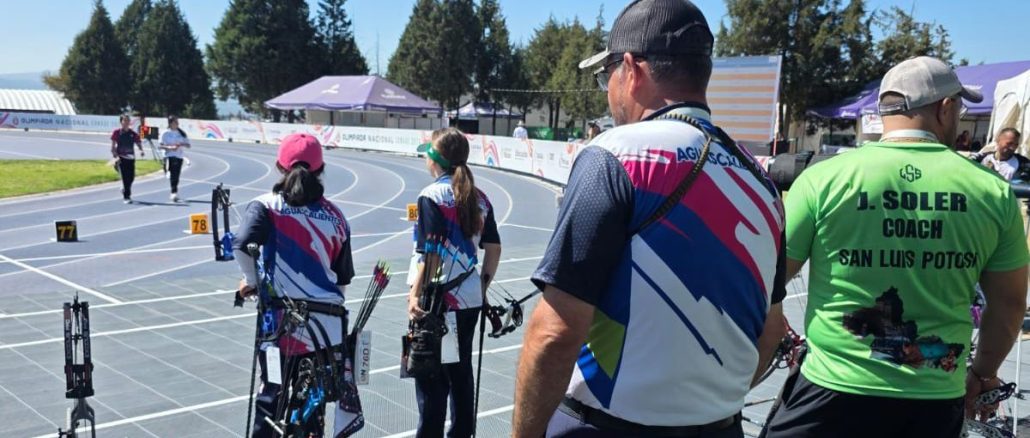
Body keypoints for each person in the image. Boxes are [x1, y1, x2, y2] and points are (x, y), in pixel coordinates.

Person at [512, 1, 788, 436]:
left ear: (631, 70)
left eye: (607, 77)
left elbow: (554, 334)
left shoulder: (614, 155)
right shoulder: (762, 185)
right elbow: (772, 330)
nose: (608, 89)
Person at [763, 56, 1029, 437]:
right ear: (946, 108)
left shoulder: (822, 179)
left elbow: (766, 282)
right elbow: (1009, 305)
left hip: (830, 390)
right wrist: (982, 374)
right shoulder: (993, 191)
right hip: (933, 399)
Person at [233, 133, 360, 437]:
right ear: (320, 169)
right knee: (312, 414)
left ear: (280, 166)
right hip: (326, 332)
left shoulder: (266, 205)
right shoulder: (336, 216)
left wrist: (253, 281)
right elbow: (341, 282)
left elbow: (241, 245)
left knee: (270, 404)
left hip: (280, 329)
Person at [408, 128, 502, 438]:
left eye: (427, 152)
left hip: (438, 302)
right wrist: (482, 287)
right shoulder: (480, 197)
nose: (424, 157)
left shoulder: (430, 196)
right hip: (469, 298)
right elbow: (494, 248)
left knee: (431, 374)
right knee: (460, 371)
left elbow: (431, 253)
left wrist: (415, 295)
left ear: (435, 160)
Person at [110, 114, 144, 203]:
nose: (126, 122)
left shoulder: (133, 134)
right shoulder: (116, 133)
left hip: (131, 158)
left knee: (131, 177)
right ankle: (127, 197)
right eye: (124, 120)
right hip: (121, 159)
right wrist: (116, 156)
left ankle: (124, 189)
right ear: (121, 122)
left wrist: (141, 150)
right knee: (125, 178)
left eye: (128, 120)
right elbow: (113, 147)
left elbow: (138, 142)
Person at [159, 116, 190, 202]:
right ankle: (173, 192)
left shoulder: (181, 133)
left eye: (177, 122)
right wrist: (170, 147)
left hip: (179, 156)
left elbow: (188, 145)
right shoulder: (165, 133)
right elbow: (160, 145)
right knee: (171, 174)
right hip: (168, 156)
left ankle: (174, 193)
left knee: (176, 175)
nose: (177, 124)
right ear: (170, 123)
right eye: (175, 122)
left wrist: (180, 144)